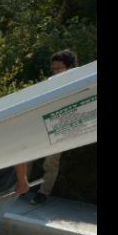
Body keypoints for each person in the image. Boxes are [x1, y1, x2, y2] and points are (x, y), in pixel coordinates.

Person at [29, 49, 78, 205]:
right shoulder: (52, 82)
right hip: (44, 124)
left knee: (51, 162)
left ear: (70, 67)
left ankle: (43, 193)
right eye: (54, 69)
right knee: (27, 156)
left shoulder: (80, 81)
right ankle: (19, 187)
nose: (56, 71)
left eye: (59, 68)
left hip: (62, 126)